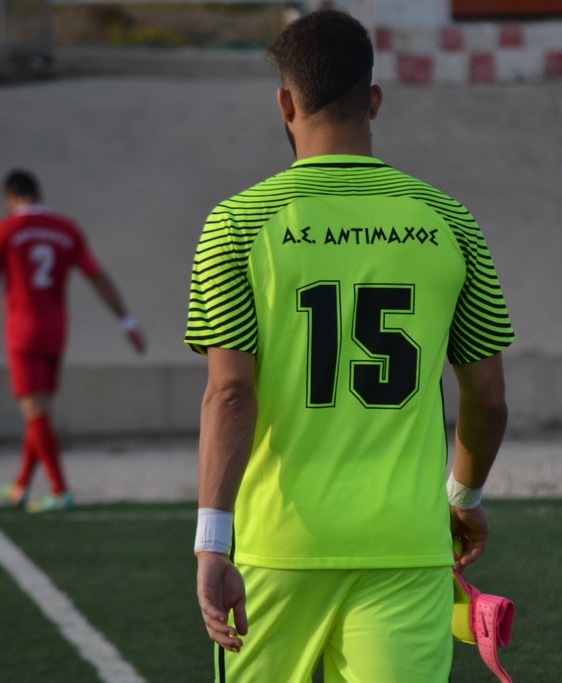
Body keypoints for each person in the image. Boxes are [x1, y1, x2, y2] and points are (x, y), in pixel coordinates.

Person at [186, 9, 514, 681]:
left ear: (285, 104)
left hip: (277, 548)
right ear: (373, 100)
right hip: (407, 546)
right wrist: (463, 496)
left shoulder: (237, 224)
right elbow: (487, 400)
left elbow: (230, 394)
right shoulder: (450, 221)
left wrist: (212, 541)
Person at [0, 169, 145, 512]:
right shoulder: (66, 230)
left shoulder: (5, 230)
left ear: (10, 197)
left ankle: (60, 489)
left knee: (35, 413)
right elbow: (97, 276)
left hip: (22, 331)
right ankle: (20, 486)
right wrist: (126, 321)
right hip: (55, 330)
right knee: (40, 412)